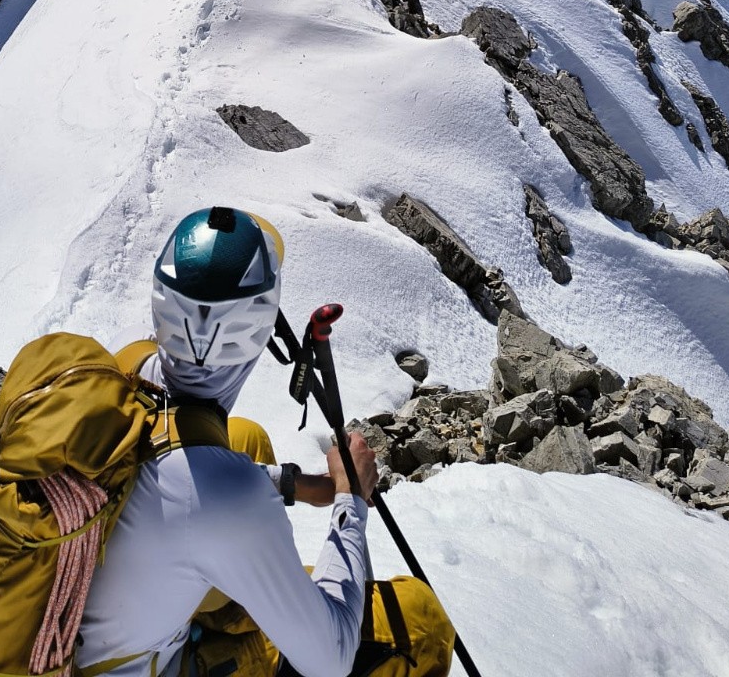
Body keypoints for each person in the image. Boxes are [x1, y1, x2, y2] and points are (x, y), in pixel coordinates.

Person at [76, 206, 455, 677]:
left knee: (246, 439)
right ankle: (265, 599)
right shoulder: (224, 497)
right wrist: (349, 499)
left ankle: (248, 587)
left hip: (95, 628)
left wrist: (298, 485)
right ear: (258, 331)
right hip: (155, 665)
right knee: (422, 624)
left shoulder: (129, 361)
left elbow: (172, 481)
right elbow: (331, 659)